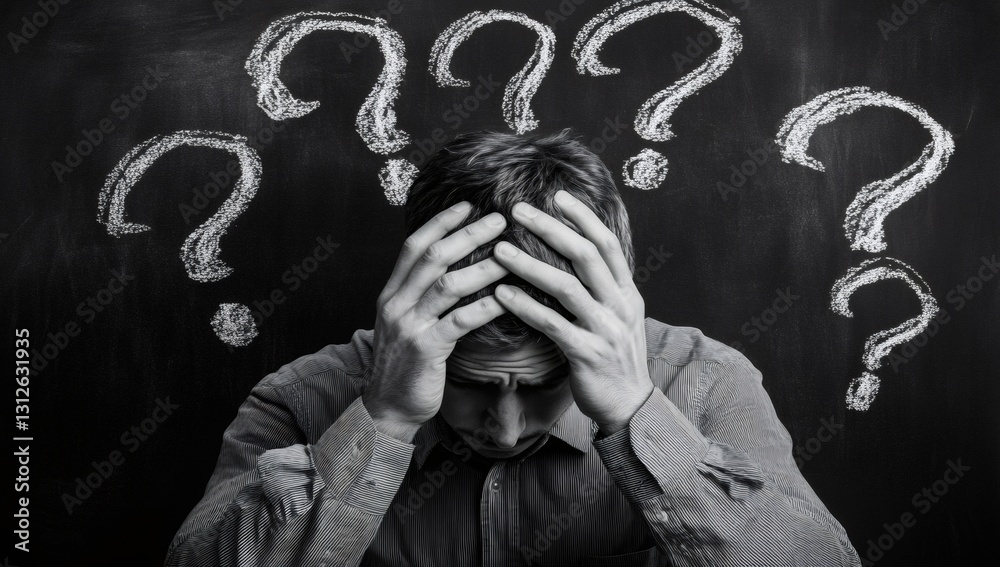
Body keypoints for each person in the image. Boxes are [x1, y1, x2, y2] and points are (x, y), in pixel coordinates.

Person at [166, 131, 862, 566]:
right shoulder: (301, 399)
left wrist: (637, 415)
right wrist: (383, 419)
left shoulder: (706, 385)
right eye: (470, 382)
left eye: (541, 385)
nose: (503, 428)